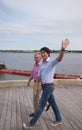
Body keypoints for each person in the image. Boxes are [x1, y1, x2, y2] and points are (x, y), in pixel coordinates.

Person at [23, 39, 70, 129]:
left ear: (48, 53)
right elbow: (38, 78)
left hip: (49, 86)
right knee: (53, 104)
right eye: (41, 53)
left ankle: (31, 124)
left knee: (40, 105)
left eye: (44, 52)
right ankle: (59, 119)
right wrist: (35, 88)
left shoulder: (52, 62)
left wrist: (62, 49)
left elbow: (59, 58)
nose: (43, 54)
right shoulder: (41, 65)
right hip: (44, 87)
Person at [27, 52, 42, 117]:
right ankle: (47, 103)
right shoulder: (35, 64)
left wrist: (37, 84)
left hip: (39, 83)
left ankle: (36, 113)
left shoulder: (41, 65)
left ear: (40, 58)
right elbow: (33, 73)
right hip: (35, 81)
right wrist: (29, 80)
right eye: (34, 57)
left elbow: (42, 75)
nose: (35, 58)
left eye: (36, 57)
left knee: (35, 98)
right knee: (37, 97)